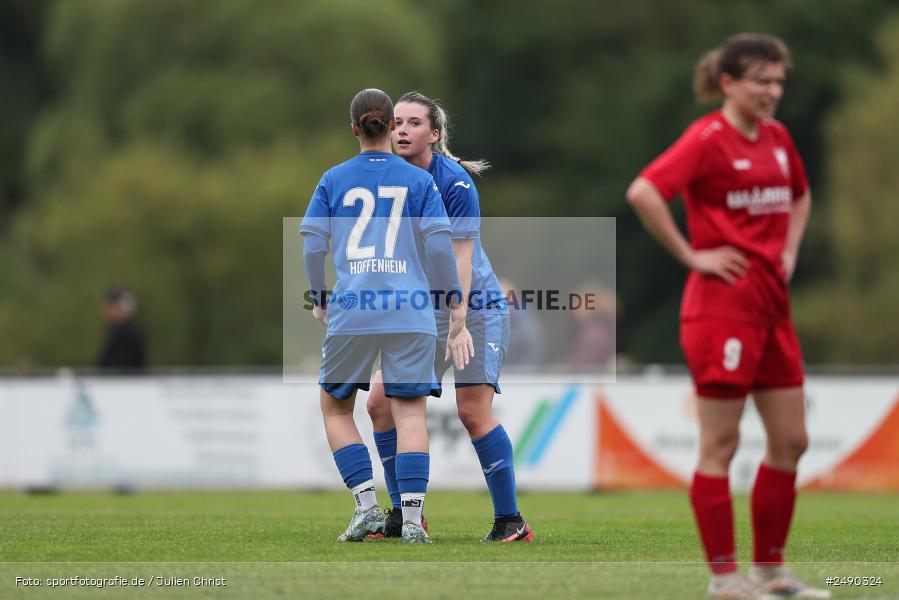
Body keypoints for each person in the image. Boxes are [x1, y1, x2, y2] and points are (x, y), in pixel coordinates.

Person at [627, 34, 828, 599]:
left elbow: (800, 195)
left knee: (793, 440)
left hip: (772, 308)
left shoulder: (779, 137)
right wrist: (691, 254)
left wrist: (788, 251)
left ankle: (770, 572)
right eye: (762, 81)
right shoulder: (707, 139)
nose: (773, 92)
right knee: (722, 445)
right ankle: (724, 578)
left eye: (778, 81)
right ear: (728, 83)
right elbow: (644, 191)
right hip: (721, 311)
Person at [366, 91, 533, 542]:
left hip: (474, 306)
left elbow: (461, 260)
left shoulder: (454, 182)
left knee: (472, 411)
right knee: (379, 403)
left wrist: (456, 320)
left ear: (434, 134)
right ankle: (404, 516)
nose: (401, 129)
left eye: (414, 123)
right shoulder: (385, 179)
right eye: (396, 121)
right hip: (422, 311)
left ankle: (510, 521)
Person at [300, 88, 464, 544]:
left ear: (354, 129)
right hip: (411, 312)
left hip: (354, 310)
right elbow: (438, 245)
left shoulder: (333, 178)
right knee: (409, 413)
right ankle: (412, 522)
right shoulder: (419, 181)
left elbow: (314, 244)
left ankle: (368, 508)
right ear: (392, 126)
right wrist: (452, 300)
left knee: (335, 407)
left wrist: (320, 297)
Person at [96, 287, 146, 372]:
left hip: (121, 383)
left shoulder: (126, 333)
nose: (105, 312)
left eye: (109, 307)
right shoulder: (123, 330)